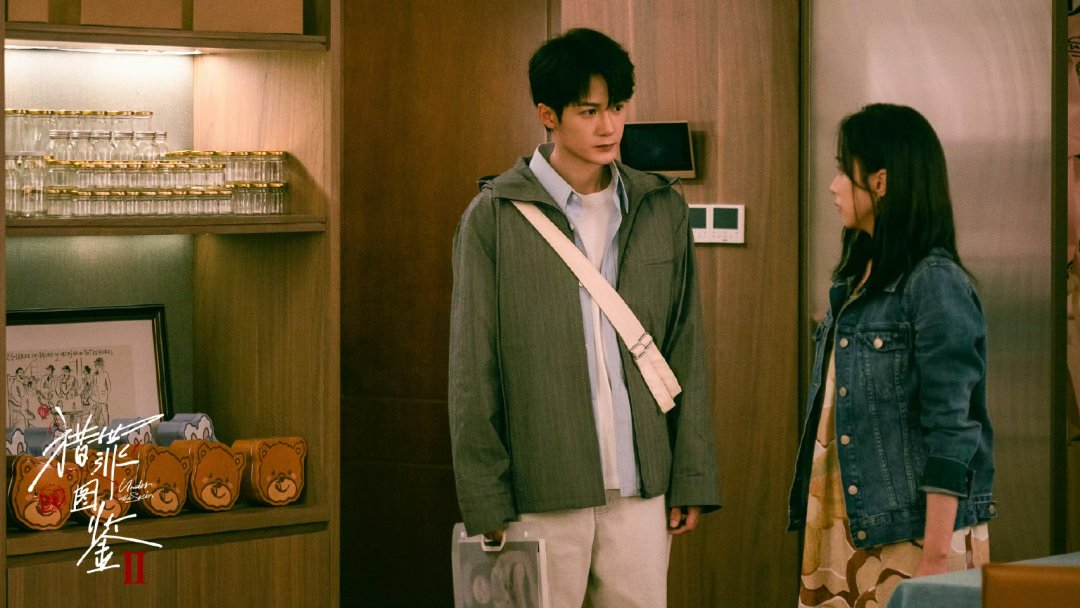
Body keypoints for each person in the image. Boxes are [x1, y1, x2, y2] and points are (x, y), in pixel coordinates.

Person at [449, 28, 720, 608]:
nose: (608, 127)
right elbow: (473, 369)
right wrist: (484, 497)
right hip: (539, 491)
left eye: (616, 108)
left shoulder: (661, 207)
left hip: (642, 487)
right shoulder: (494, 217)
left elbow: (686, 346)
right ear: (548, 115)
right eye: (589, 111)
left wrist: (691, 475)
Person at [788, 103, 996, 608]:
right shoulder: (856, 279)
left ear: (880, 182)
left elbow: (952, 428)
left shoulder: (933, 282)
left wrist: (937, 558)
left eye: (845, 171)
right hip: (849, 522)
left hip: (914, 535)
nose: (834, 186)